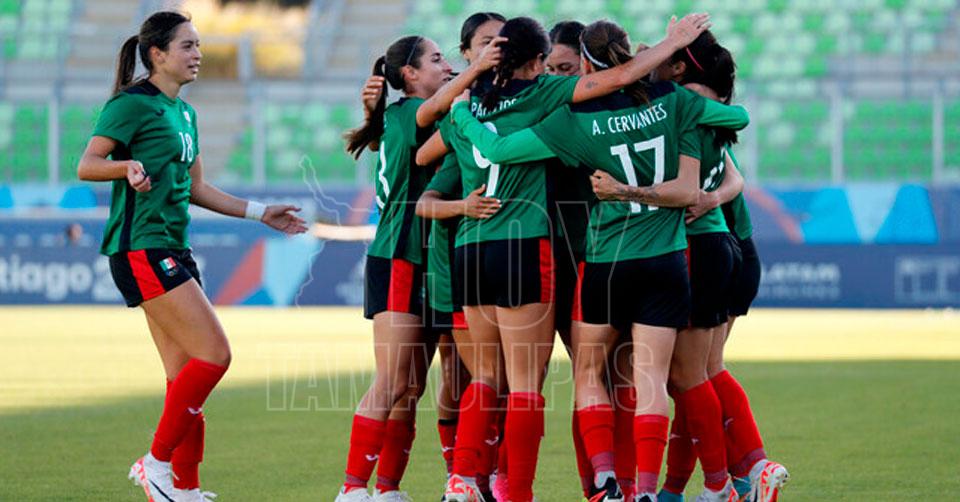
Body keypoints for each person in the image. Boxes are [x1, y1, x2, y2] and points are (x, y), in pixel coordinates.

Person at [449, 17, 753, 500]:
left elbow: (497, 148)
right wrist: (678, 95)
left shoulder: (569, 119)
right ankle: (653, 488)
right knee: (655, 377)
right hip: (663, 255)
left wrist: (462, 113)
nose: (558, 77)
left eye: (567, 68)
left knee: (590, 375)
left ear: (587, 68)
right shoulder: (672, 102)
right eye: (551, 68)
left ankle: (606, 481)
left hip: (598, 257)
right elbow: (737, 120)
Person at [76, 11, 307, 502]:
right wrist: (125, 167)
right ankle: (155, 464)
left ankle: (184, 489)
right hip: (141, 248)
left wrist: (261, 212)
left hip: (173, 247)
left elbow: (197, 188)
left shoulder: (185, 113)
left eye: (198, 45)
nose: (198, 54)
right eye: (187, 45)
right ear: (157, 54)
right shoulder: (131, 104)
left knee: (183, 379)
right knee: (215, 354)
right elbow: (87, 164)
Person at [337, 33, 501, 502]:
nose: (446, 65)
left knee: (418, 384)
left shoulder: (401, 115)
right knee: (393, 382)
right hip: (401, 256)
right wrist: (477, 66)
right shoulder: (410, 112)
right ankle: (352, 489)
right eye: (435, 59)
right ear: (409, 74)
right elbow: (432, 113)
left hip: (433, 259)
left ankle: (395, 488)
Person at [650, 33, 789, 502]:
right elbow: (735, 176)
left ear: (680, 67)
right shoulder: (708, 107)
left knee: (692, 377)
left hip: (704, 245)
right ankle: (691, 487)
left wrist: (705, 198)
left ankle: (745, 471)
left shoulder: (682, 103)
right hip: (730, 245)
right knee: (697, 375)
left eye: (664, 54)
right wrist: (713, 197)